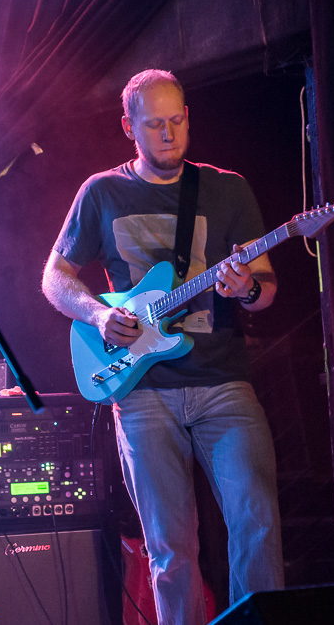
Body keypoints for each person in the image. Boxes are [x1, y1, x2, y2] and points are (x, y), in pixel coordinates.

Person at [41, 69, 283, 624]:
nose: (170, 134)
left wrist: (246, 287)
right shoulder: (101, 192)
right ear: (128, 127)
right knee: (171, 551)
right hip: (143, 389)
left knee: (258, 522)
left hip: (224, 383)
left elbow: (265, 289)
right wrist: (100, 315)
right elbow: (56, 277)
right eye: (155, 125)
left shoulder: (227, 188)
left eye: (178, 121)